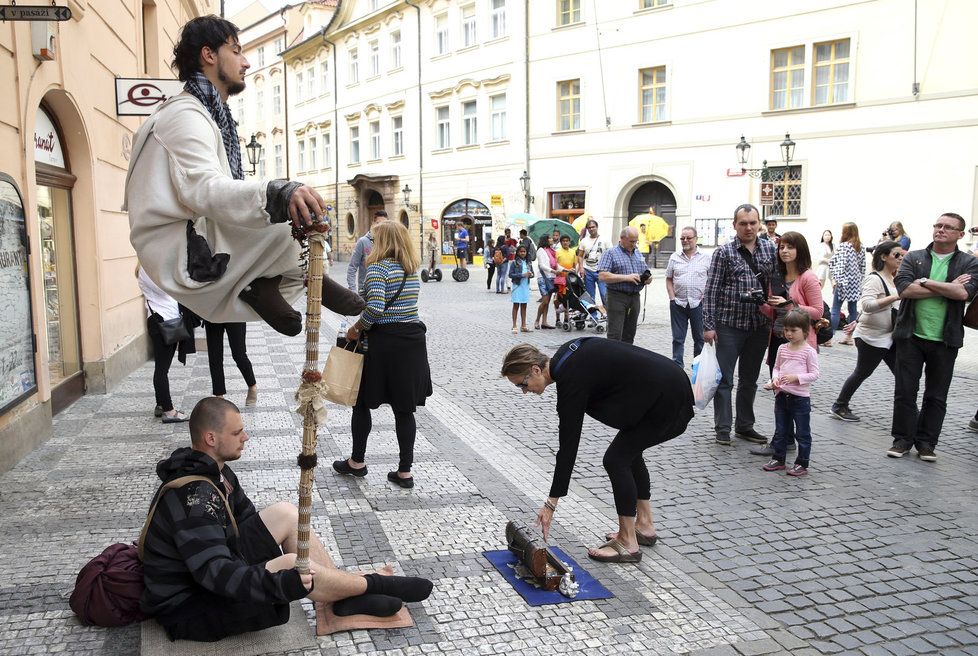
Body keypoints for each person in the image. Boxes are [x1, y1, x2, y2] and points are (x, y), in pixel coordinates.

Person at [125, 16, 363, 338]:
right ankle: (293, 278)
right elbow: (204, 188)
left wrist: (276, 195)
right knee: (284, 221)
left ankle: (275, 283)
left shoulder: (209, 115)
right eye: (236, 51)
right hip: (182, 247)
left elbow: (220, 188)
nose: (247, 62)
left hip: (197, 229)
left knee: (292, 227)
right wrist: (279, 193)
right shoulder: (184, 116)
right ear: (209, 56)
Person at [141, 397, 434, 642]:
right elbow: (216, 574)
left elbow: (246, 522)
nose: (246, 437)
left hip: (213, 567)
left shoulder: (217, 473)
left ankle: (338, 598)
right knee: (292, 563)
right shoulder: (195, 499)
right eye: (237, 433)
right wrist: (283, 582)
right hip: (190, 605)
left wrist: (272, 563)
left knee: (286, 513)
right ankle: (371, 585)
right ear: (210, 438)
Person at [501, 339, 694, 564]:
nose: (524, 391)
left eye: (521, 384)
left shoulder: (571, 379)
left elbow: (568, 447)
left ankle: (628, 542)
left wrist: (551, 503)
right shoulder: (567, 356)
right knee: (629, 452)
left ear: (535, 370)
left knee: (616, 459)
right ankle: (644, 525)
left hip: (669, 401)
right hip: (668, 388)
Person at [333, 222, 432, 487]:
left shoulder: (378, 268)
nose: (371, 244)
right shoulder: (410, 270)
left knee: (362, 402)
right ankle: (404, 472)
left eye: (375, 239)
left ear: (383, 241)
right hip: (411, 344)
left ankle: (357, 462)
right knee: (404, 409)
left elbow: (375, 308)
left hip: (383, 345)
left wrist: (356, 329)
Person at [888, 213, 978, 461]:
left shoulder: (969, 263)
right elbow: (905, 289)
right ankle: (902, 440)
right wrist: (947, 287)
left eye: (948, 227)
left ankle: (926, 443)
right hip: (910, 335)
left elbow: (963, 294)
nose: (940, 230)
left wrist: (926, 282)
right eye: (938, 225)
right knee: (905, 391)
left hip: (946, 338)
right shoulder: (914, 257)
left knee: (936, 395)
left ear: (960, 234)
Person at [702, 204, 778, 446]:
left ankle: (745, 426)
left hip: (759, 325)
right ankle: (723, 428)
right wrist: (708, 325)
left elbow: (776, 284)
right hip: (729, 325)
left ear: (759, 224)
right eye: (743, 223)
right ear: (734, 225)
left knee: (749, 380)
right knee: (725, 379)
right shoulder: (723, 252)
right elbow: (711, 290)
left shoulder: (770, 249)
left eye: (753, 223)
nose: (748, 227)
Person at [748, 232, 823, 457]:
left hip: (800, 345)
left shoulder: (808, 277)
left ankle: (786, 441)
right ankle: (785, 438)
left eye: (790, 247)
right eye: (781, 247)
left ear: (800, 250)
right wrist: (760, 302)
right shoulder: (777, 277)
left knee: (794, 394)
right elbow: (774, 312)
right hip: (779, 341)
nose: (785, 251)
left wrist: (791, 304)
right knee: (779, 390)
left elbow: (817, 312)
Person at [830, 241, 904, 422]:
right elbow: (868, 305)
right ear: (883, 257)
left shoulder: (893, 279)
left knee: (902, 375)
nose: (900, 258)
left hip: (889, 336)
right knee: (862, 372)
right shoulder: (874, 279)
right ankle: (839, 405)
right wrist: (896, 295)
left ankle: (908, 412)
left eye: (902, 255)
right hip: (871, 337)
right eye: (896, 255)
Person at [760, 310, 820, 477]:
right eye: (787, 330)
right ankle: (778, 458)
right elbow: (777, 367)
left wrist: (797, 378)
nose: (789, 334)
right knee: (781, 429)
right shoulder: (782, 348)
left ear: (805, 331)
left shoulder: (809, 352)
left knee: (802, 432)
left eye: (794, 330)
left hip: (800, 398)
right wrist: (775, 380)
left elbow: (814, 374)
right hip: (781, 395)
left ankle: (802, 462)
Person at [138, 265, 192, 423]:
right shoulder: (146, 269)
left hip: (169, 321)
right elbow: (167, 289)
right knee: (161, 370)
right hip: (161, 323)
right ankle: (169, 411)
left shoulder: (154, 267)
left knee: (163, 367)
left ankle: (161, 404)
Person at [664, 226, 710, 367]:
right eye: (682, 238)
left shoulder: (706, 258)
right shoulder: (674, 257)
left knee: (700, 338)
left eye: (688, 238)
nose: (685, 240)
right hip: (678, 303)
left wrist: (705, 296)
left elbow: (711, 280)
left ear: (696, 239)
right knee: (678, 338)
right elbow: (669, 278)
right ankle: (677, 367)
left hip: (698, 304)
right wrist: (672, 298)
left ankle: (698, 367)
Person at [597, 227, 651, 344]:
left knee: (630, 333)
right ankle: (613, 360)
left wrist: (647, 278)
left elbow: (645, 270)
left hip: (634, 297)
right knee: (615, 334)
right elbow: (602, 276)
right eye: (631, 241)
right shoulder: (610, 253)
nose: (634, 244)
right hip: (616, 296)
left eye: (636, 241)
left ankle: (626, 360)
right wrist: (627, 277)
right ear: (622, 238)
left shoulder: (637, 253)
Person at [204, 322, 258, 406]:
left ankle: (252, 385)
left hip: (235, 313)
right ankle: (219, 395)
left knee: (239, 354)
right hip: (213, 313)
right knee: (214, 356)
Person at [829, 222, 865, 345]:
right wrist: (860, 281)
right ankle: (849, 337)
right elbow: (863, 267)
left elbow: (840, 265)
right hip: (855, 281)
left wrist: (836, 280)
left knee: (835, 309)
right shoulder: (861, 247)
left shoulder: (844, 246)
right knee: (852, 309)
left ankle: (829, 338)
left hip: (843, 281)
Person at [348, 210, 389, 292]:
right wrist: (353, 291)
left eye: (384, 224)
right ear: (373, 223)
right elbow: (352, 267)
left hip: (384, 291)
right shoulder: (362, 241)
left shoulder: (388, 242)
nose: (380, 226)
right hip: (366, 292)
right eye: (378, 223)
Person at [577, 219, 611, 314]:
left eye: (593, 227)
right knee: (590, 296)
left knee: (604, 295)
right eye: (589, 227)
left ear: (597, 227)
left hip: (602, 272)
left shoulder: (605, 239)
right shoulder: (584, 241)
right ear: (587, 229)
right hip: (588, 271)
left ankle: (608, 317)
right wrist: (581, 268)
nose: (591, 229)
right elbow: (580, 255)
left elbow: (611, 254)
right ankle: (594, 318)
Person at [554, 234, 578, 327]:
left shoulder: (573, 252)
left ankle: (566, 319)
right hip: (560, 279)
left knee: (567, 299)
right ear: (561, 242)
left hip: (569, 280)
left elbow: (574, 265)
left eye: (567, 241)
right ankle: (557, 319)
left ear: (569, 242)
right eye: (563, 241)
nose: (565, 242)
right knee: (558, 299)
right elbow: (555, 265)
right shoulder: (557, 252)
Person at [534, 235, 557, 329]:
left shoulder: (550, 251)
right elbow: (542, 265)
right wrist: (553, 271)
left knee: (547, 302)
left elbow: (555, 264)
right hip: (543, 278)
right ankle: (537, 320)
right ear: (546, 240)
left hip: (551, 277)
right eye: (550, 238)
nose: (552, 239)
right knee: (545, 301)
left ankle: (544, 322)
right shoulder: (540, 251)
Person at [509, 245, 534, 333]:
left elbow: (532, 274)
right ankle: (514, 325)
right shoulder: (514, 263)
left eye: (524, 251)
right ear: (518, 252)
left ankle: (523, 325)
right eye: (521, 251)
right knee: (516, 305)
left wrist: (530, 274)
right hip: (517, 285)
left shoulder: (529, 263)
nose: (523, 253)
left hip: (525, 286)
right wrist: (522, 275)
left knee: (524, 305)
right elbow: (510, 275)